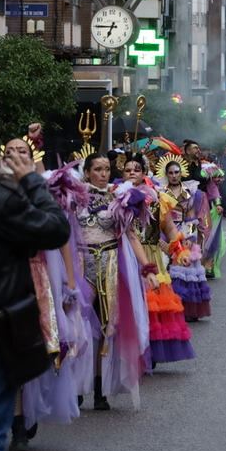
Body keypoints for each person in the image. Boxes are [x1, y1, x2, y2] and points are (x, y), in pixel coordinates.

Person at [0, 134, 71, 451]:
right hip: (1, 318)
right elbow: (54, 229)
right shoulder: (4, 198)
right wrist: (32, 184)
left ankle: (23, 424)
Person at [77, 152, 157, 411]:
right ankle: (75, 386)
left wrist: (148, 268)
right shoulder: (73, 197)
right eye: (97, 169)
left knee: (104, 328)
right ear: (87, 172)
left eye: (107, 169)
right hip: (80, 266)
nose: (103, 173)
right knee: (77, 326)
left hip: (109, 265)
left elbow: (131, 236)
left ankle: (99, 389)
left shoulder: (118, 198)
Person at [123, 154, 195, 364]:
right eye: (128, 170)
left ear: (144, 173)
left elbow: (170, 229)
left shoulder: (157, 199)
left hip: (152, 256)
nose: (132, 173)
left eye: (136, 170)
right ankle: (130, 353)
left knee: (152, 304)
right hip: (125, 256)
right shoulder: (115, 198)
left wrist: (180, 251)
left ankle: (150, 352)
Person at [156, 158, 212, 321]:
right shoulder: (160, 192)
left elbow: (191, 216)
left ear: (181, 173)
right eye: (171, 173)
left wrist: (190, 237)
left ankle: (187, 309)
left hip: (184, 231)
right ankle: (169, 308)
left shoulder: (190, 191)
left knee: (188, 268)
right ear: (166, 174)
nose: (174, 175)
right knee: (166, 268)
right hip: (166, 233)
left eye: (176, 172)